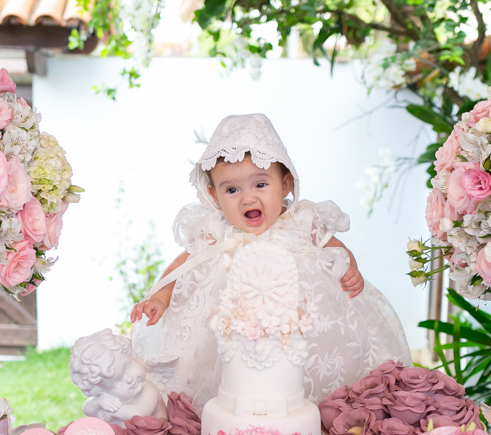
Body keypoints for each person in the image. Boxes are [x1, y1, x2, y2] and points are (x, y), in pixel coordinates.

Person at [131, 114, 411, 410]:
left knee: (306, 371)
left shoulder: (301, 221)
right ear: (213, 195)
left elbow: (334, 246)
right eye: (232, 190)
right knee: (228, 380)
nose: (247, 199)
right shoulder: (217, 231)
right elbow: (185, 261)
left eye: (260, 184)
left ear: (285, 184)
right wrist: (161, 295)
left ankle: (315, 414)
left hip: (302, 322)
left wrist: (349, 267)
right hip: (230, 328)